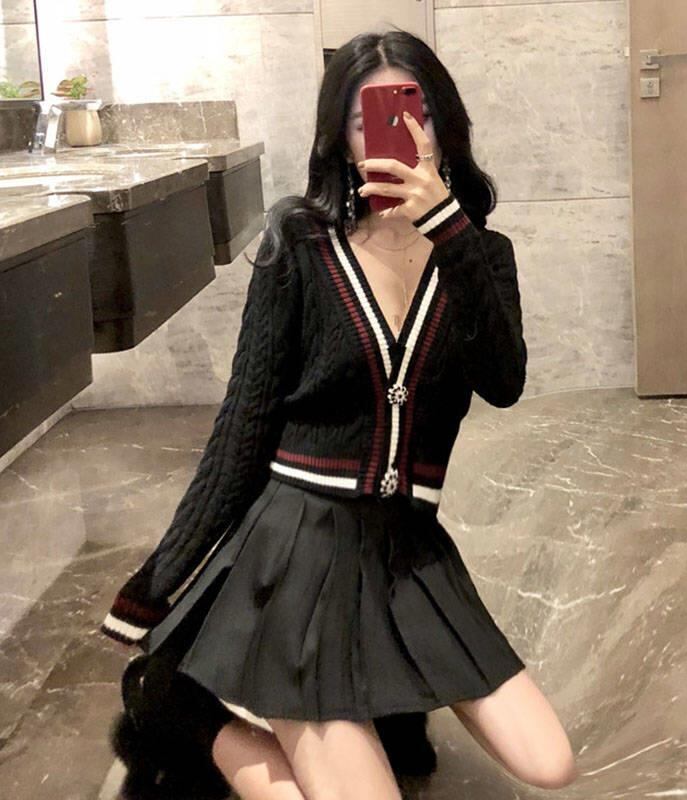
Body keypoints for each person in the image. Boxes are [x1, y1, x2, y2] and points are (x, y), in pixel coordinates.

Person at [100, 29, 577, 800]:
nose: (392, 132)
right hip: (295, 547)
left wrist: (449, 228)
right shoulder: (301, 246)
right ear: (340, 138)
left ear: (443, 123)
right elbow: (242, 428)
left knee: (551, 763)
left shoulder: (482, 255)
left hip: (407, 550)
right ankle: (174, 703)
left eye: (412, 110)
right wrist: (160, 579)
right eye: (365, 119)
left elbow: (504, 382)